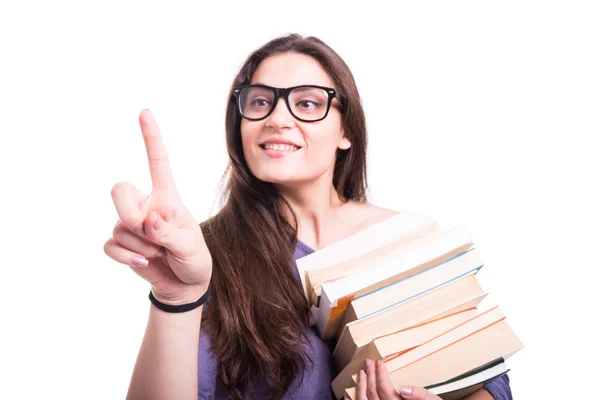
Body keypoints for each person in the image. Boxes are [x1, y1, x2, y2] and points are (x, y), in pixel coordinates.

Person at [104, 34, 512, 400]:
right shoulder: (204, 256)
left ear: (346, 131)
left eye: (307, 103)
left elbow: (482, 377)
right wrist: (176, 299)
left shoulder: (408, 240)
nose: (278, 118)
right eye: (261, 101)